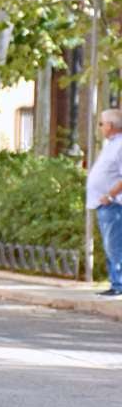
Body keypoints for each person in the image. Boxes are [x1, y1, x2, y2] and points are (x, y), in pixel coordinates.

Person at [88, 108, 122, 296]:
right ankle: (115, 282)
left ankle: (119, 285)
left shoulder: (120, 145)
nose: (100, 127)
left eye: (101, 123)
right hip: (104, 204)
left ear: (110, 125)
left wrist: (110, 195)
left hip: (114, 204)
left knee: (115, 245)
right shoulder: (111, 144)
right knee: (111, 245)